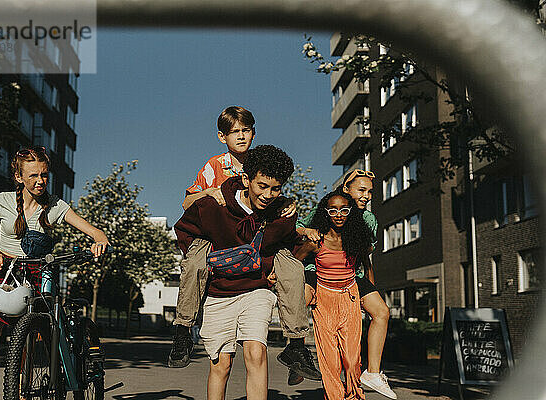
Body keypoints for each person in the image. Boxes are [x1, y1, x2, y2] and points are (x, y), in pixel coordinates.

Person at [169, 106, 320, 382]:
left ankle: (296, 346)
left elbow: (270, 197)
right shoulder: (215, 165)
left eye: (246, 130)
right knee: (194, 260)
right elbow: (187, 203)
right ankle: (182, 331)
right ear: (221, 136)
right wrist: (209, 193)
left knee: (292, 268)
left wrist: (289, 203)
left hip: (255, 235)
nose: (241, 136)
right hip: (217, 230)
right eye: (234, 132)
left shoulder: (262, 162)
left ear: (254, 133)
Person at [0, 147, 109, 400]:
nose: (40, 181)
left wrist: (99, 239)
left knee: (27, 345)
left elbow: (96, 232)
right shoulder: (2, 201)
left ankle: (23, 391)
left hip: (38, 276)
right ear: (19, 177)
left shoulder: (55, 206)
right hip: (5, 278)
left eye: (44, 174)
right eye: (32, 176)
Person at [295, 169, 396, 399]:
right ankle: (297, 354)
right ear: (346, 190)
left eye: (370, 191)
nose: (367, 195)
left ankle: (372, 373)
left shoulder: (368, 219)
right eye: (361, 190)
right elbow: (297, 229)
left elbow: (365, 257)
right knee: (302, 299)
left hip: (351, 278)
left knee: (381, 312)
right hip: (317, 271)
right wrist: (307, 231)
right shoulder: (326, 210)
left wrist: (371, 287)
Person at [295, 191, 371, 400]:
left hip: (350, 297)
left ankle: (355, 396)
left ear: (350, 213)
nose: (338, 214)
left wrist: (368, 293)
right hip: (324, 299)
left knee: (352, 357)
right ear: (326, 213)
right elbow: (294, 261)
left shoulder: (357, 239)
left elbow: (367, 265)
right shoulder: (316, 241)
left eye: (344, 210)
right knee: (329, 359)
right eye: (333, 210)